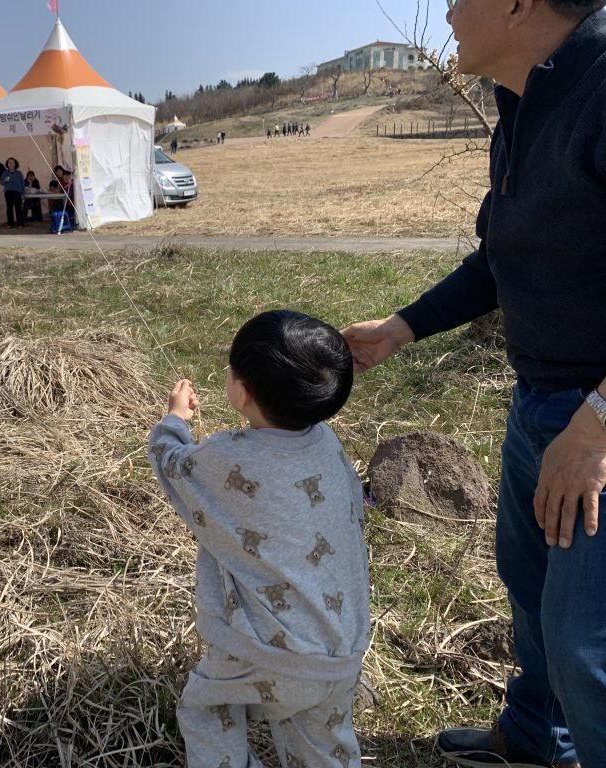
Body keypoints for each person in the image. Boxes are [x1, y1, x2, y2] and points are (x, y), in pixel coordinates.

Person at [342, 2, 606, 766]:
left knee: (586, 640)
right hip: (538, 403)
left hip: (592, 420)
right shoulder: (522, 101)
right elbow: (502, 257)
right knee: (529, 591)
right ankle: (534, 738)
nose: (449, 12)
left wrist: (594, 426)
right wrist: (401, 328)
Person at [148, 309, 368, 768]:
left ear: (242, 392)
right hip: (341, 647)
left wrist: (175, 419)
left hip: (267, 652)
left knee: (209, 708)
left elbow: (171, 463)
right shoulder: (328, 446)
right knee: (322, 746)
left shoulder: (229, 457)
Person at [0, 157, 24, 228]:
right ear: (7, 164)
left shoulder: (19, 173)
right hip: (8, 192)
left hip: (17, 192)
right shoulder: (5, 172)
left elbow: (22, 183)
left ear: (15, 164)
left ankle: (20, 223)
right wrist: (5, 180)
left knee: (18, 208)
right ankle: (10, 223)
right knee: (9, 208)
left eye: (12, 162)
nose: (11, 164)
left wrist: (23, 193)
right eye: (9, 162)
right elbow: (1, 182)